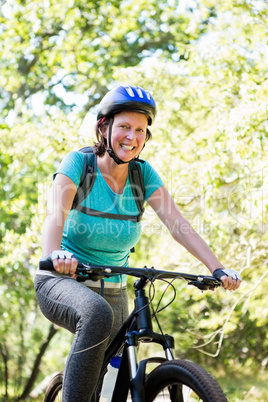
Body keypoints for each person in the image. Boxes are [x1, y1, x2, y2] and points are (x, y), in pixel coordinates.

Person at [34, 84, 241, 401]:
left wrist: (217, 268)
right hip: (61, 279)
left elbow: (179, 225)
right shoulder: (78, 164)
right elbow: (54, 217)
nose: (132, 137)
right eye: (125, 127)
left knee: (105, 375)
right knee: (96, 316)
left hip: (114, 287)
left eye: (140, 130)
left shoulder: (142, 176)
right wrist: (53, 256)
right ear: (105, 127)